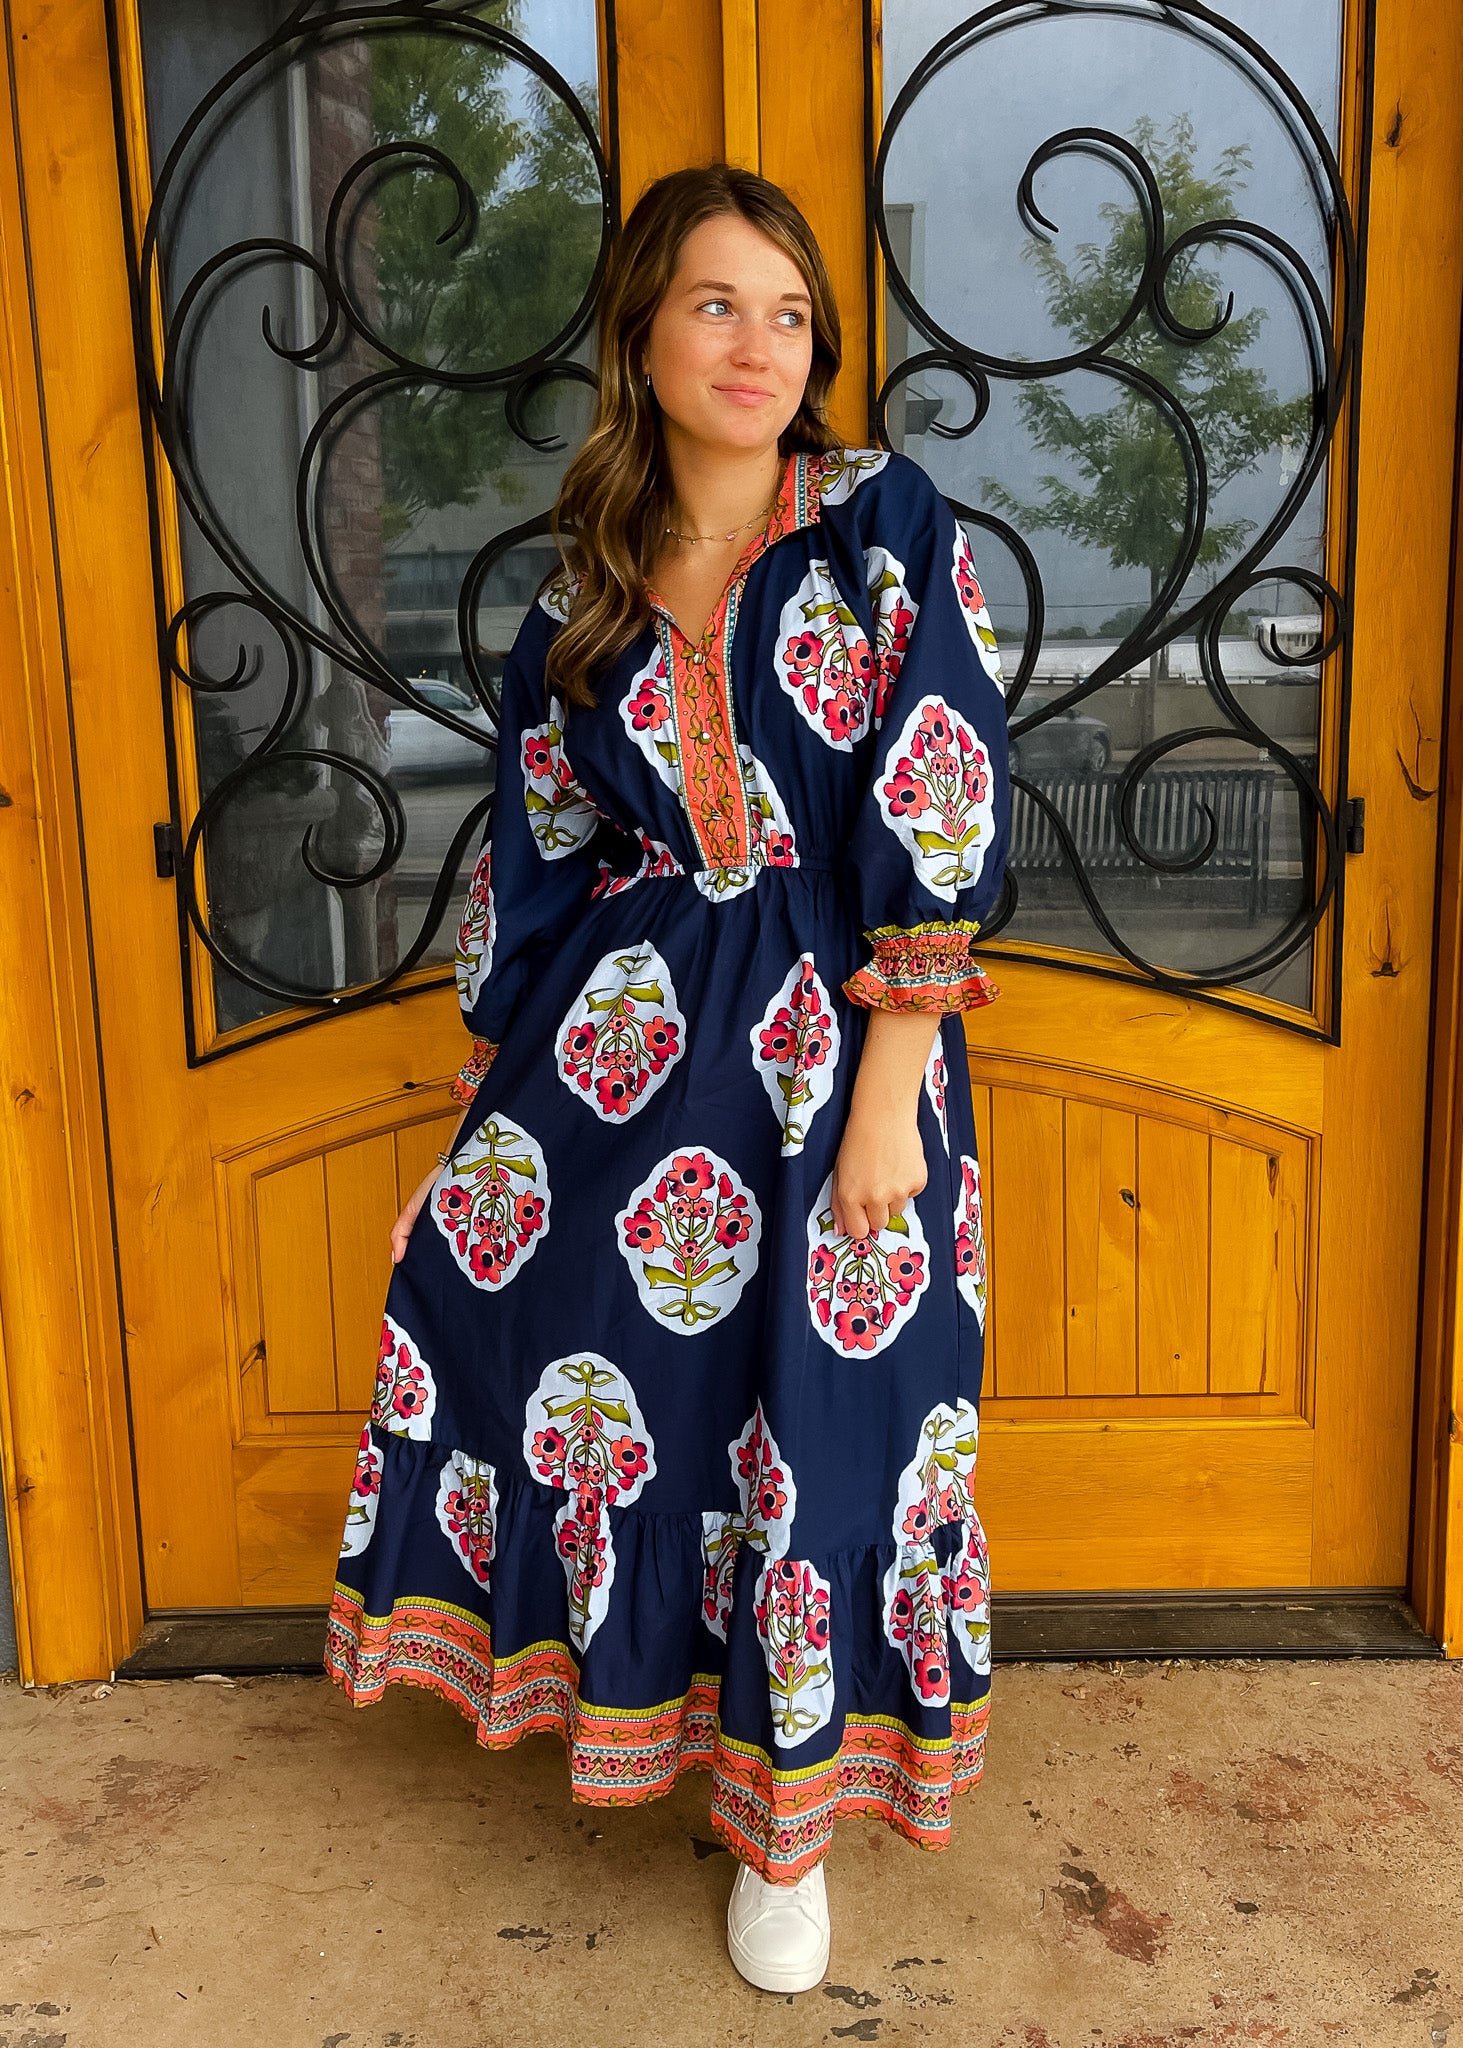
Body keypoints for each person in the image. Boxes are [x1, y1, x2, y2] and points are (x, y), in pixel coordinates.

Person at [325, 161, 1011, 1996]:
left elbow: (942, 785)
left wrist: (893, 1087)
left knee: (831, 1418)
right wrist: (471, 1152)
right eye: (717, 304)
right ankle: (666, 1724)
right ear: (641, 331)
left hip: (842, 1050)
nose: (757, 346)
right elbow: (537, 874)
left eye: (789, 315)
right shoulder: (582, 594)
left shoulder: (879, 525)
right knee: (652, 1405)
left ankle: (789, 1837)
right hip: (619, 1062)